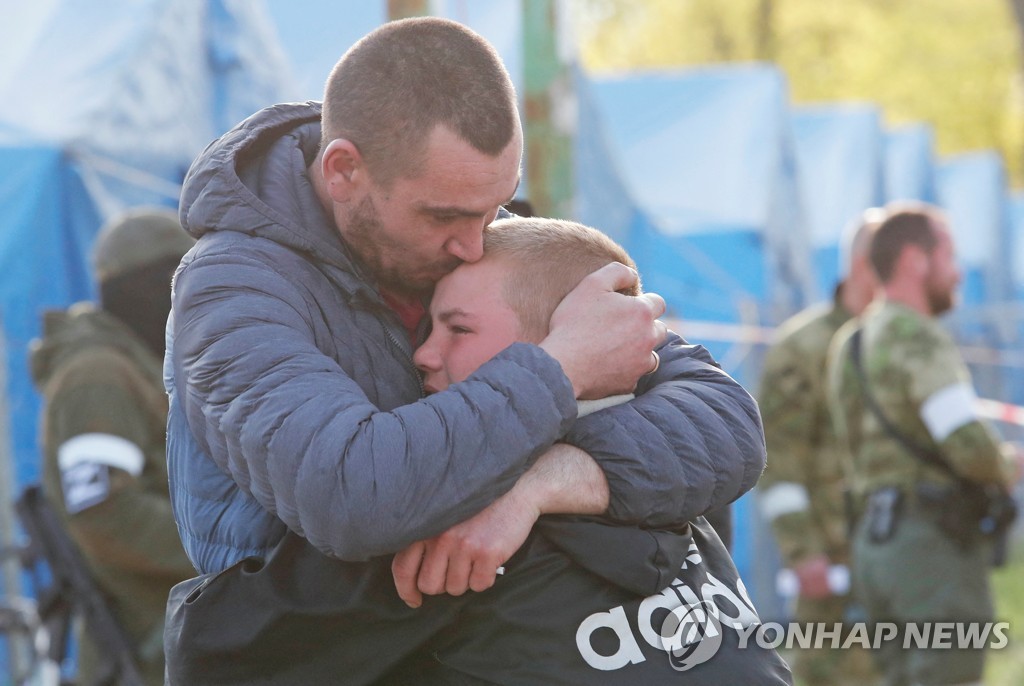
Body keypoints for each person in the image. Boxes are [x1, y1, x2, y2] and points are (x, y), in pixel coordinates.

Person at [163, 17, 768, 682]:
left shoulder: (478, 227)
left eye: (495, 208)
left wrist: (539, 485)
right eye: (444, 217)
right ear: (344, 171)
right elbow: (352, 492)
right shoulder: (234, 286)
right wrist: (561, 368)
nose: (477, 244)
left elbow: (723, 424)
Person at [827, 204, 1019, 686]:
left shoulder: (850, 341)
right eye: (949, 256)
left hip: (874, 544)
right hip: (929, 548)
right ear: (915, 260)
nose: (957, 274)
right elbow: (966, 444)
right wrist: (1008, 463)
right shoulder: (917, 334)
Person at [29, 207, 197, 685]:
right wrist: (227, 553)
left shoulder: (139, 361)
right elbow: (105, 512)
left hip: (174, 637)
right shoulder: (96, 376)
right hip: (144, 649)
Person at [756, 208, 883, 685]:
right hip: (832, 562)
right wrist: (802, 549)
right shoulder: (804, 346)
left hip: (895, 558)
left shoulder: (900, 345)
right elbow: (778, 458)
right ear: (862, 265)